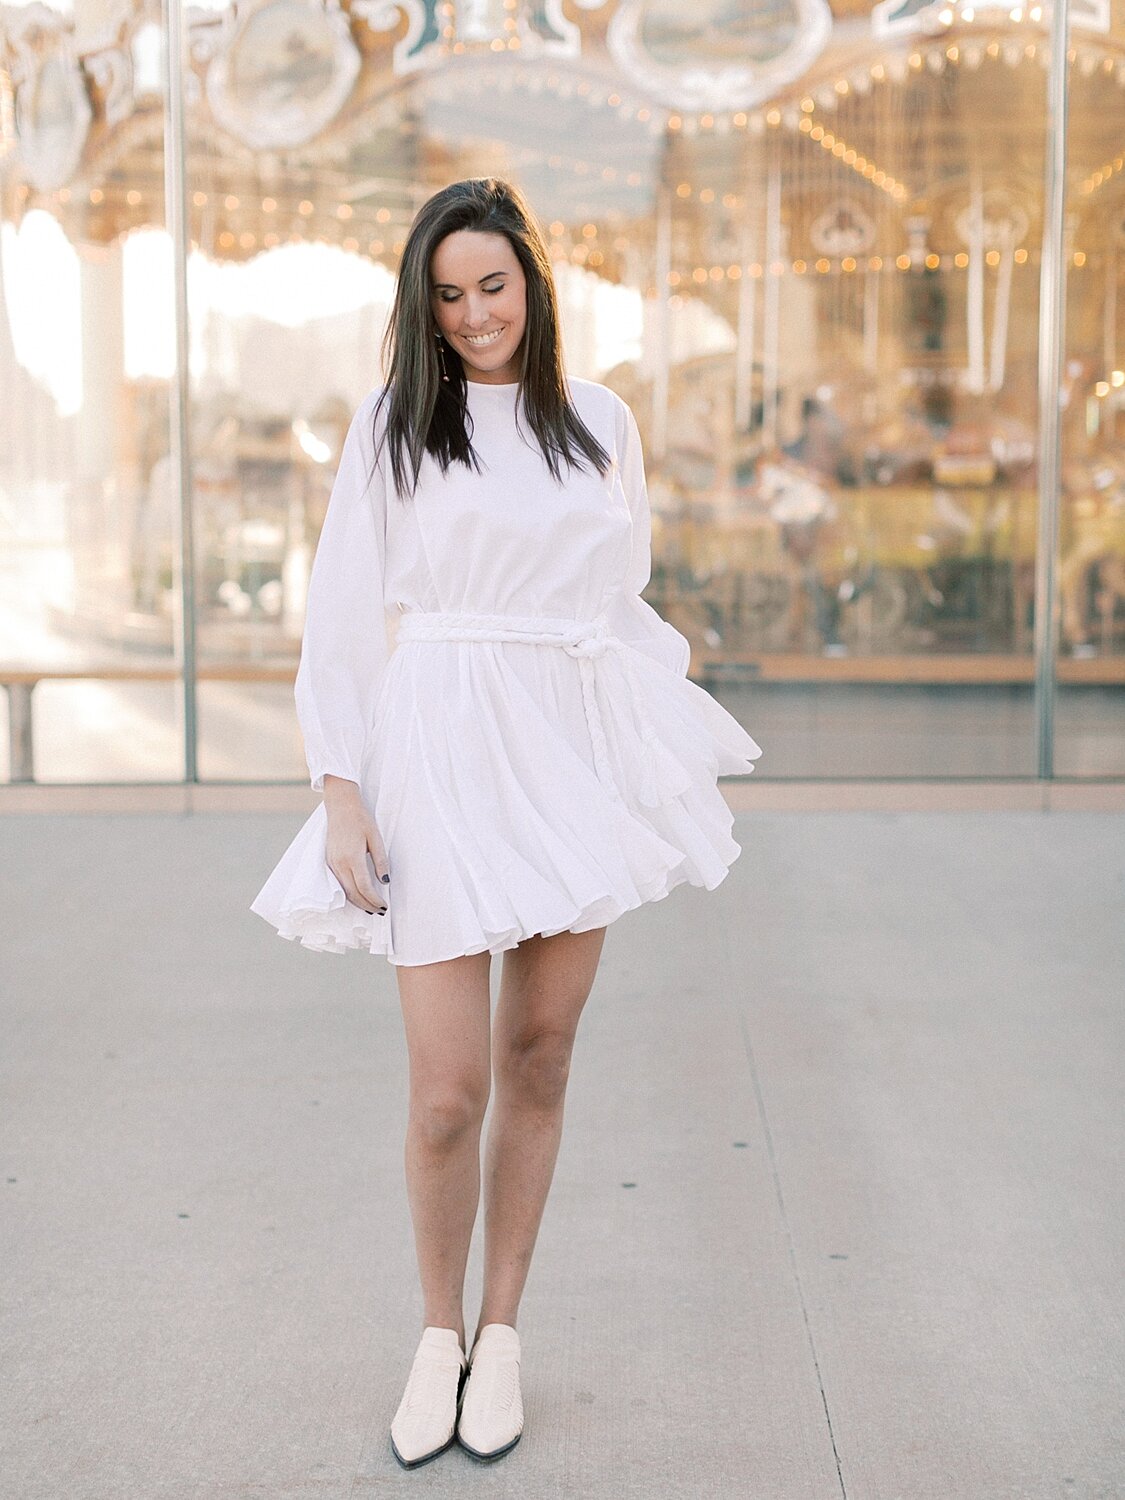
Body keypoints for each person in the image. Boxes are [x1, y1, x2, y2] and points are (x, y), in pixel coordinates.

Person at [250, 177, 764, 1469]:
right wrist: (338, 786)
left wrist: (654, 731)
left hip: (566, 746)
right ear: (422, 309)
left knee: (539, 1052)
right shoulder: (393, 428)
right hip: (435, 739)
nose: (476, 314)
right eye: (448, 294)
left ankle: (502, 1334)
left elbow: (616, 596)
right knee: (444, 1094)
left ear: (530, 280)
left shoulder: (600, 423)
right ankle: (435, 1339)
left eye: (492, 284)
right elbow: (341, 612)